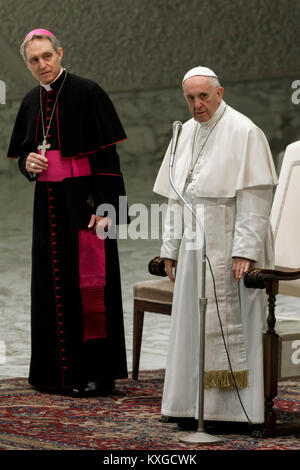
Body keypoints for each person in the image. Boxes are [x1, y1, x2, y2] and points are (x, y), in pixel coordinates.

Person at [153, 66, 278, 430]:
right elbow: (177, 198)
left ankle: (234, 411)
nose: (197, 105)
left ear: (219, 93)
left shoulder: (245, 132)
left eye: (203, 96)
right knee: (192, 324)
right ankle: (189, 405)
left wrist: (245, 250)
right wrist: (169, 249)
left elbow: (256, 198)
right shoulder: (185, 132)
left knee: (231, 321)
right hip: (195, 246)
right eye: (190, 98)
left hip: (230, 242)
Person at [7, 29, 129, 396]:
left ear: (59, 53)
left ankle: (97, 373)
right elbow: (27, 157)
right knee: (51, 285)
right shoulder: (31, 101)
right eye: (34, 60)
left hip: (87, 207)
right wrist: (28, 164)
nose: (42, 65)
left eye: (47, 56)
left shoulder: (87, 92)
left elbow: (108, 157)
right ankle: (53, 374)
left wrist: (110, 209)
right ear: (27, 64)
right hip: (47, 207)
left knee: (90, 288)